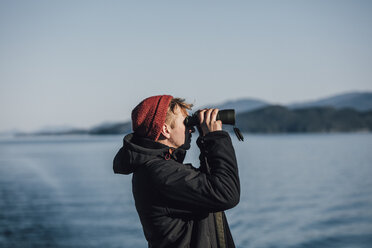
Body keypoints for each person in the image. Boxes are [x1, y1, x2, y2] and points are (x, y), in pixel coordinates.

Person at [113, 95, 240, 248]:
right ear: (165, 130)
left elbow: (210, 184)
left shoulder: (162, 168)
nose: (191, 128)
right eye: (186, 122)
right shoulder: (159, 173)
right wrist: (216, 138)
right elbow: (226, 193)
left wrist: (207, 139)